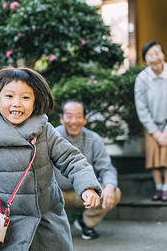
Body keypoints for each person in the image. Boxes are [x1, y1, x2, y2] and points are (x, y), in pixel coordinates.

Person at [0, 67, 102, 251]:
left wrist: (87, 186)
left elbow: (71, 159)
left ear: (34, 102)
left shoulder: (44, 131)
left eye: (25, 97)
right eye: (9, 96)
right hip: (6, 224)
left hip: (46, 219)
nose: (17, 103)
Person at [54, 99, 122, 240]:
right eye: (69, 115)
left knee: (114, 192)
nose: (74, 121)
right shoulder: (53, 137)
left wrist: (109, 186)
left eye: (79, 116)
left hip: (86, 192)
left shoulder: (94, 139)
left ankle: (86, 223)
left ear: (85, 119)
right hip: (57, 194)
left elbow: (107, 169)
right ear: (61, 118)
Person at [134, 41, 167, 202]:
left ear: (163, 55)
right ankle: (158, 188)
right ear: (145, 59)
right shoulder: (141, 79)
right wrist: (155, 132)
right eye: (150, 55)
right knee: (154, 156)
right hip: (152, 125)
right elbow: (141, 107)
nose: (155, 58)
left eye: (157, 53)